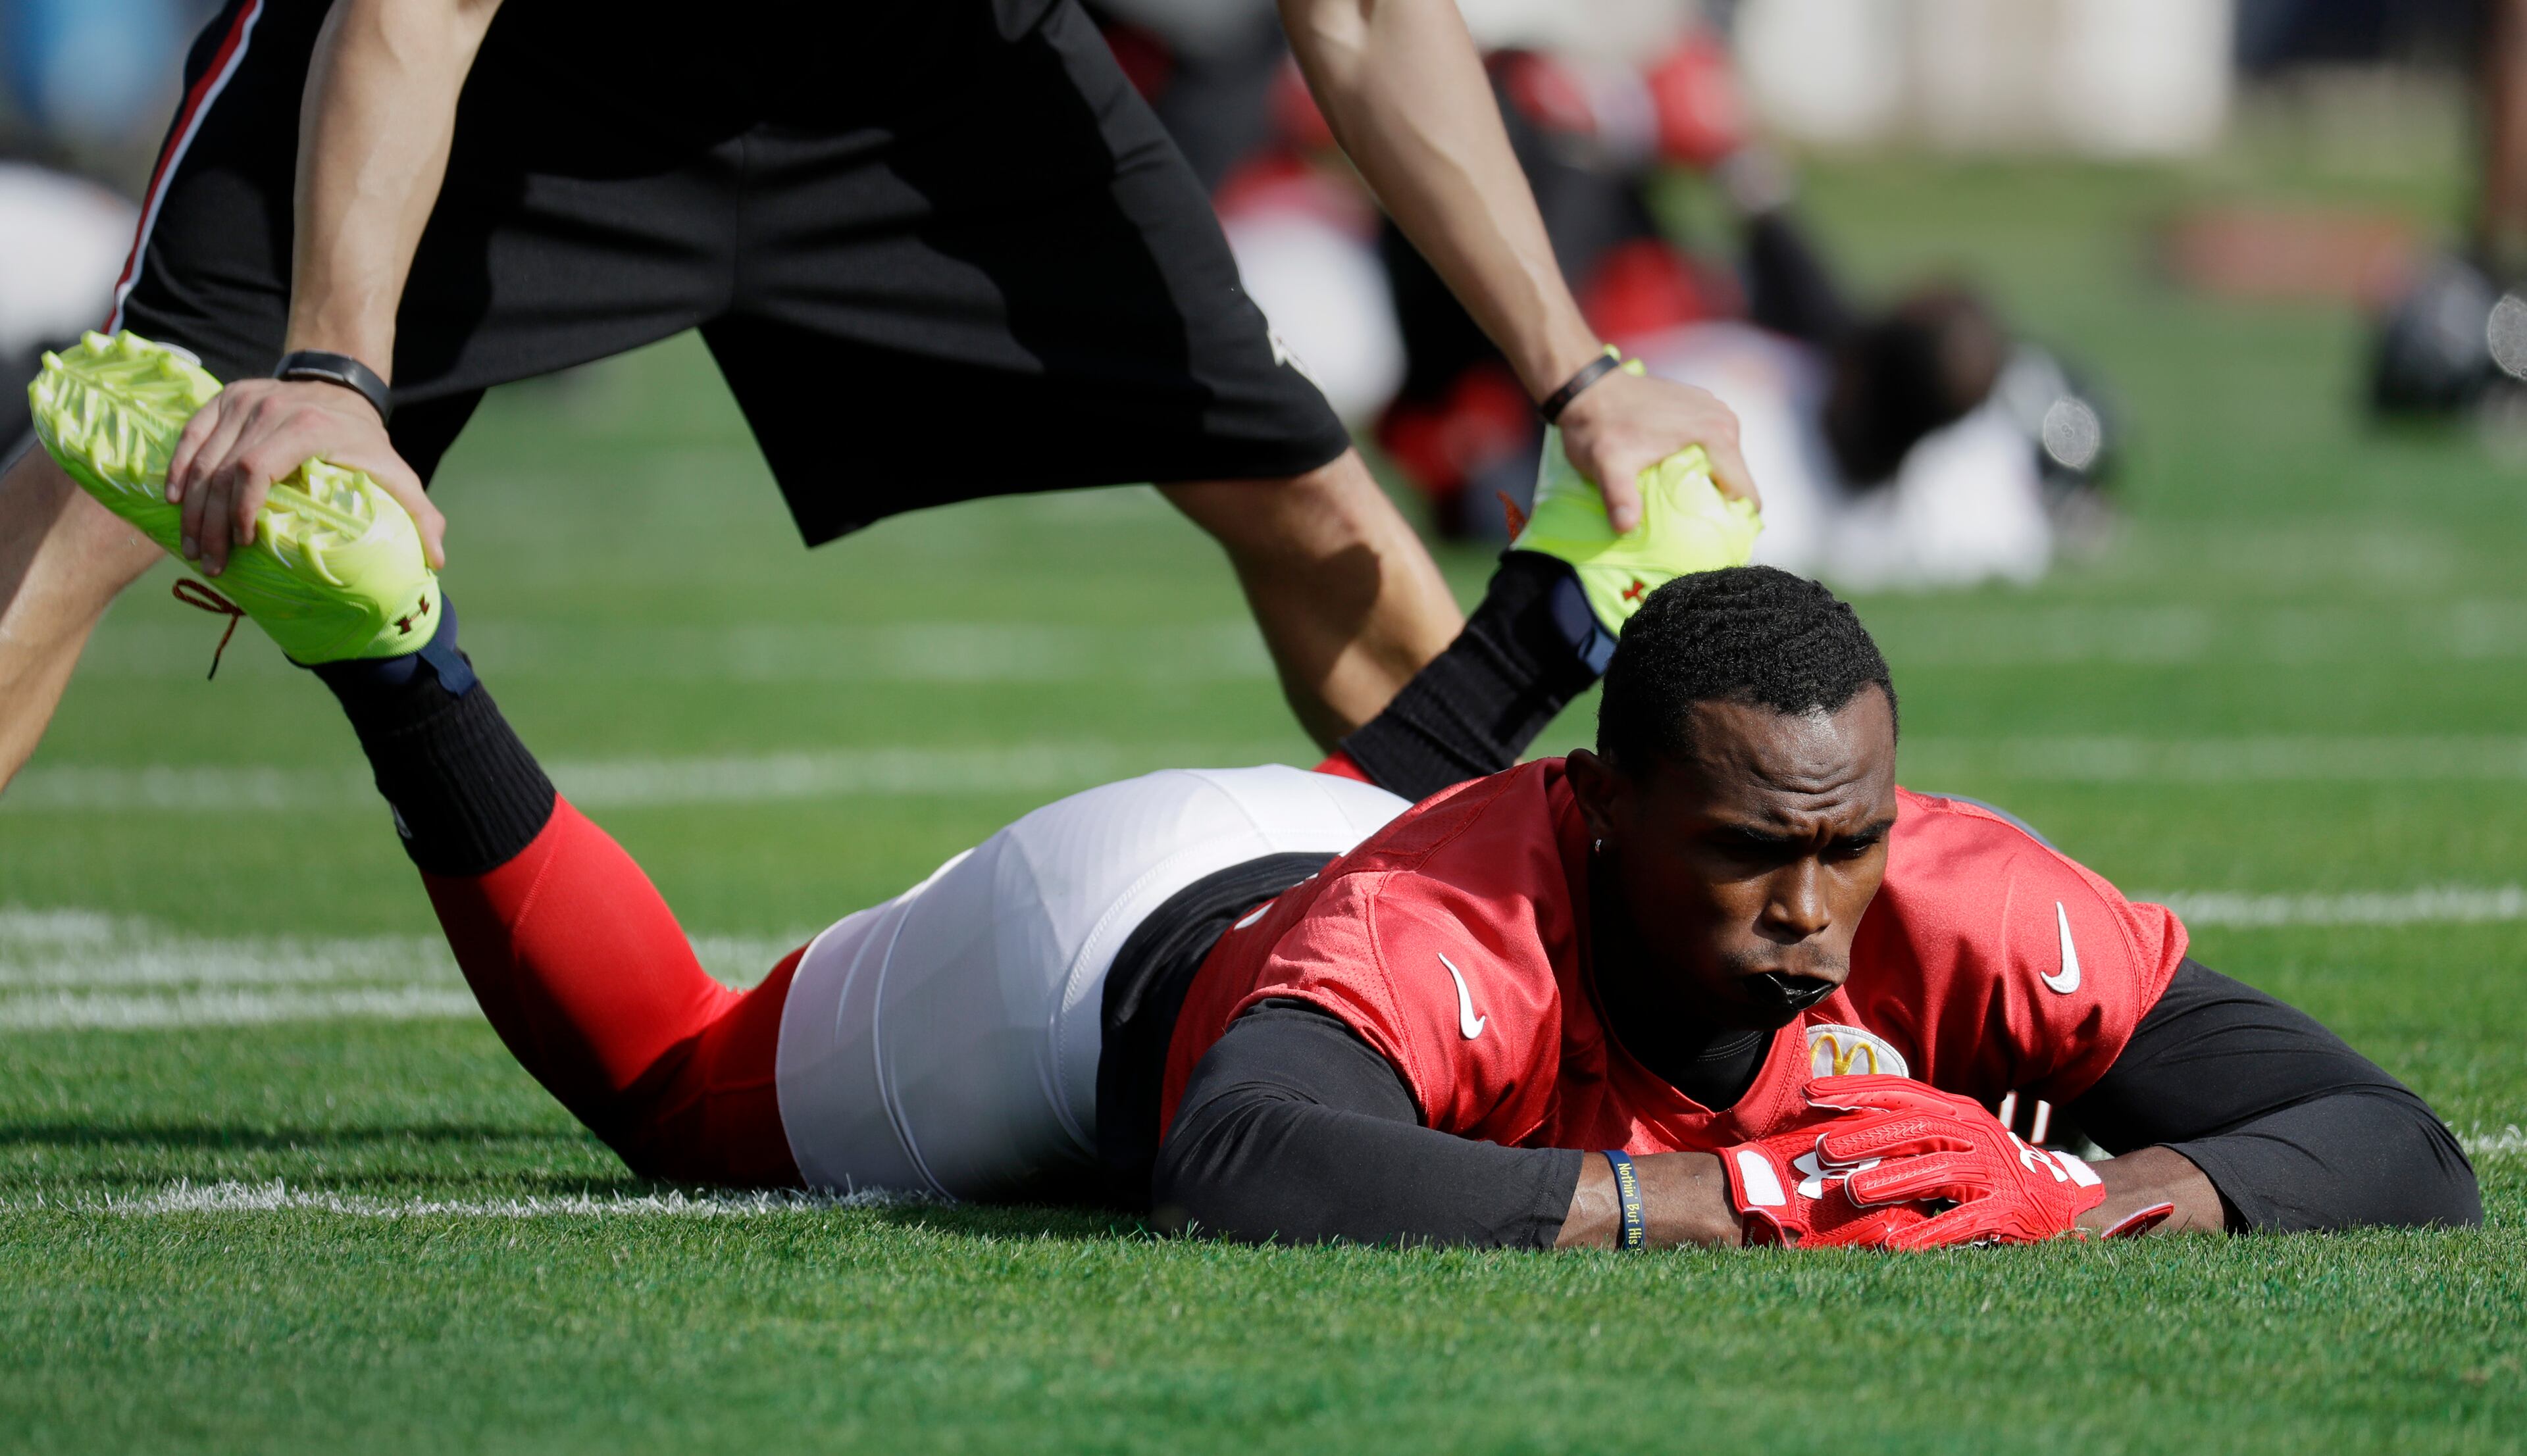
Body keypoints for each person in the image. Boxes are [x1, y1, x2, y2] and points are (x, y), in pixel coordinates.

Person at [35, 339, 2476, 1248]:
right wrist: (1707, 1212)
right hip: (1106, 955)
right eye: (1753, 853)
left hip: (1337, 821)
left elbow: (2400, 1145)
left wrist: (2143, 1198)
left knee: (1437, 844)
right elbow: (1247, 1153)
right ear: (1600, 816)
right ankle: (404, 655)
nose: (1819, 913)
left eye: (1844, 845)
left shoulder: (1919, 878)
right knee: (677, 1087)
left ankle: (1564, 604)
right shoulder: (1433, 942)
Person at [0, 0, 1758, 788]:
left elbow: (1367, 12)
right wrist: (327, 375)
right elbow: (423, 7)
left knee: (1318, 517)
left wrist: (1579, 374)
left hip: (925, 75)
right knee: (99, 490)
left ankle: (1494, 981)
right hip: (530, 66)